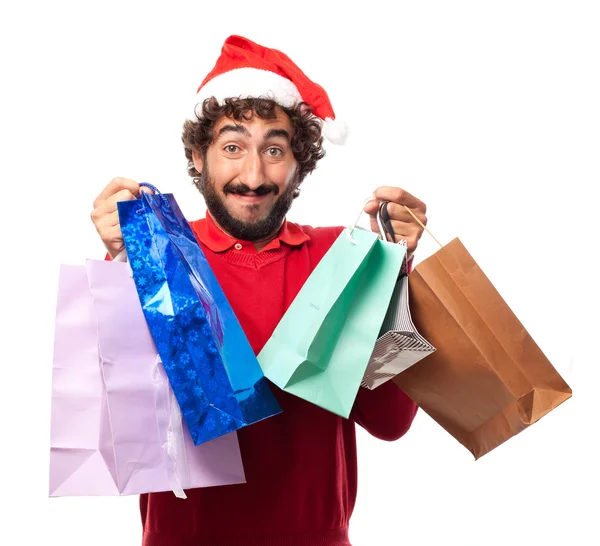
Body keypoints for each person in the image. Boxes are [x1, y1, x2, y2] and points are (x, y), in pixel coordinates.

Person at [91, 35, 428, 546]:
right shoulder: (160, 258)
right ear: (198, 157)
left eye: (274, 148)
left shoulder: (339, 257)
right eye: (232, 147)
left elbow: (390, 421)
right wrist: (120, 264)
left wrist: (395, 279)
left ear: (299, 164)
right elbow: (122, 434)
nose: (253, 175)